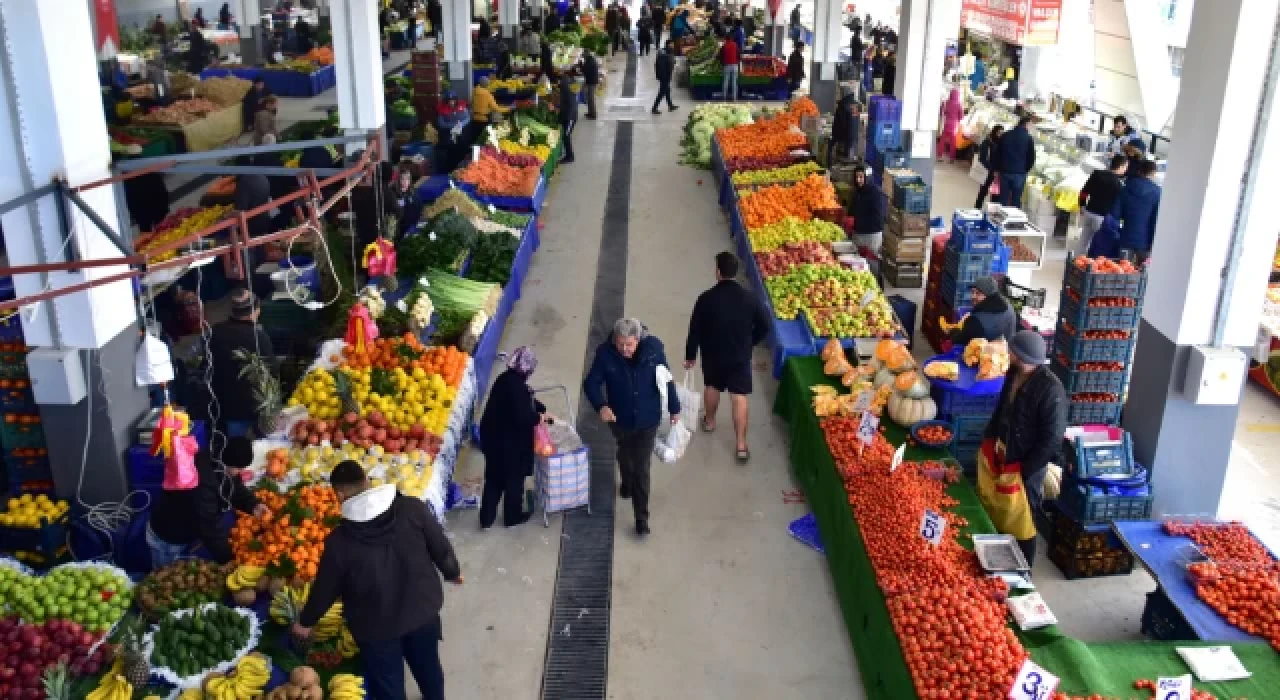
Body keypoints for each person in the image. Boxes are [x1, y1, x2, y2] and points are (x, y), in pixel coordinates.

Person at [293, 461, 462, 700]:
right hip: (421, 610)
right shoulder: (412, 508)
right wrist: (452, 572)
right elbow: (440, 546)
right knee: (429, 669)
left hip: (376, 628)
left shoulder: (340, 542)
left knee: (388, 686)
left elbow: (326, 588)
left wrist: (306, 622)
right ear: (367, 481)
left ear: (339, 495)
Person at [583, 319, 681, 536]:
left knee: (642, 467)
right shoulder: (605, 354)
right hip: (620, 420)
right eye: (620, 344)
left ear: (638, 340)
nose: (624, 349)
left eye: (629, 344)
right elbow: (591, 383)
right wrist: (601, 406)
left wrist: (674, 408)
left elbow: (667, 379)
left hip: (648, 419)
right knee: (625, 454)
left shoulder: (654, 350)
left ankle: (641, 518)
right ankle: (626, 482)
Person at [978, 331, 1067, 567]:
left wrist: (1026, 469)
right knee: (1001, 506)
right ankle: (998, 557)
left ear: (1021, 355)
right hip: (1005, 452)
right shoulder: (1014, 373)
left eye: (1012, 350)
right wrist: (990, 437)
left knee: (1024, 518)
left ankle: (1024, 569)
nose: (1008, 352)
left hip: (1027, 465)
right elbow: (1002, 408)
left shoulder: (1050, 390)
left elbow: (1052, 438)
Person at [683, 253, 769, 462]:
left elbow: (695, 330)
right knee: (739, 396)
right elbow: (765, 325)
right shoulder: (750, 298)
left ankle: (709, 421)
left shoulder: (706, 298)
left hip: (713, 354)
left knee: (712, 387)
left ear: (718, 272)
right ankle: (741, 444)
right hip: (740, 356)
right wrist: (751, 342)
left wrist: (690, 355)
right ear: (735, 272)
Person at [147, 436, 268, 567]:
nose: (241, 472)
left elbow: (234, 486)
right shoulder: (204, 483)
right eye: (239, 468)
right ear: (229, 462)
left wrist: (253, 504)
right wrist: (228, 559)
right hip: (169, 535)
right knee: (166, 573)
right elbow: (210, 527)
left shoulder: (220, 460)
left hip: (189, 525)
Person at [478, 347, 546, 528]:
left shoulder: (504, 379)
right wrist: (538, 417)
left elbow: (523, 402)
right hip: (509, 446)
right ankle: (512, 517)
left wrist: (540, 407)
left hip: (491, 439)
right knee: (514, 481)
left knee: (493, 479)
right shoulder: (518, 388)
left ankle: (486, 519)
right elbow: (523, 416)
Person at [209, 289, 276, 436]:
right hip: (253, 405)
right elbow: (271, 370)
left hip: (226, 404)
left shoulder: (215, 332)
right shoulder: (259, 338)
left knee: (236, 444)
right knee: (260, 445)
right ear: (255, 311)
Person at [1076, 153, 1128, 255]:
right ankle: (1090, 263)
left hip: (1089, 211)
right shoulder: (1119, 184)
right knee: (1098, 244)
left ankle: (1077, 260)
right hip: (1102, 217)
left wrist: (1081, 205)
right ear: (1121, 166)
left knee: (1083, 241)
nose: (1126, 169)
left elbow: (1084, 192)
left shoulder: (1097, 174)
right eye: (1125, 167)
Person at [1115, 159, 1161, 262]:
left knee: (1123, 268)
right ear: (1153, 173)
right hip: (1146, 241)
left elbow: (1116, 213)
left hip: (1126, 237)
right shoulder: (1157, 192)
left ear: (1139, 171)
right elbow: (1156, 220)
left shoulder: (1126, 187)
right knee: (1143, 270)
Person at [952, 276, 1016, 346]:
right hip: (1006, 350)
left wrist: (954, 331)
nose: (973, 296)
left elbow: (959, 340)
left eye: (978, 293)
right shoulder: (1009, 307)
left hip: (985, 352)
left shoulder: (975, 321)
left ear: (988, 295)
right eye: (972, 292)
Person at [997, 115, 1036, 209]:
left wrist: (998, 168)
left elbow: (998, 153)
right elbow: (1031, 158)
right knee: (1016, 200)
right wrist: (1025, 169)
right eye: (1031, 125)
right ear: (1026, 124)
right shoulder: (1028, 138)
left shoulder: (1006, 135)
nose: (1031, 128)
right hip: (1019, 173)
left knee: (1003, 199)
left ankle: (1000, 216)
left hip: (1004, 172)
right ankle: (1013, 217)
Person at [848, 167, 884, 252]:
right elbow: (852, 209)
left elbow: (877, 217)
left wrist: (856, 222)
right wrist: (849, 218)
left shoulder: (875, 193)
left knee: (870, 258)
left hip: (871, 235)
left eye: (861, 177)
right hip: (858, 234)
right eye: (856, 177)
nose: (858, 180)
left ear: (868, 177)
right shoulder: (857, 192)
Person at [974, 125, 1004, 208]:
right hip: (988, 171)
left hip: (997, 172)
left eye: (1002, 133)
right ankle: (977, 208)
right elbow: (982, 158)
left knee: (995, 193)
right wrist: (991, 169)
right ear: (994, 132)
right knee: (983, 191)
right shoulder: (987, 142)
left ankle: (992, 210)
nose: (1000, 135)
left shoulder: (1001, 143)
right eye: (999, 132)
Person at [829, 95, 860, 164]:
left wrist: (833, 141)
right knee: (850, 160)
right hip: (853, 142)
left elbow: (838, 126)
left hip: (843, 142)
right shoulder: (855, 105)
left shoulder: (843, 107)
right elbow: (854, 126)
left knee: (842, 162)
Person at [652, 41, 678, 114]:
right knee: (662, 92)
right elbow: (661, 66)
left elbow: (670, 62)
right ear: (668, 45)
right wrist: (663, 77)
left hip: (667, 75)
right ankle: (654, 108)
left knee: (667, 91)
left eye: (673, 44)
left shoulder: (669, 52)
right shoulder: (663, 54)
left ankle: (670, 105)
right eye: (671, 44)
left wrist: (673, 62)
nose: (673, 45)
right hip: (664, 76)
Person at [938, 87, 964, 162]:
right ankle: (951, 158)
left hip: (946, 123)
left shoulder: (946, 102)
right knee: (953, 142)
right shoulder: (959, 105)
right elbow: (961, 116)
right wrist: (957, 118)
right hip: (954, 125)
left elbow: (942, 112)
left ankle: (939, 156)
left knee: (942, 140)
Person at [557, 72, 578, 163]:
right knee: (563, 134)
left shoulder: (565, 89)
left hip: (570, 117)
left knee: (566, 136)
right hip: (566, 115)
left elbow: (566, 104)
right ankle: (562, 151)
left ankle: (570, 156)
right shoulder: (569, 85)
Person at [719, 35, 740, 102]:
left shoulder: (724, 46)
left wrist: (722, 63)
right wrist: (737, 62)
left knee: (725, 82)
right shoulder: (735, 45)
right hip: (735, 65)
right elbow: (739, 55)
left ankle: (724, 98)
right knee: (734, 82)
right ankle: (734, 98)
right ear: (732, 39)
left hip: (727, 65)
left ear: (726, 39)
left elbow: (720, 56)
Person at [582, 51, 601, 118]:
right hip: (591, 81)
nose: (583, 57)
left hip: (591, 82)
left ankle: (593, 114)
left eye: (583, 56)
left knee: (591, 99)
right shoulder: (591, 60)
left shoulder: (589, 62)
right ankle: (590, 112)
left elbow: (585, 70)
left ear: (586, 55)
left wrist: (581, 65)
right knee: (589, 98)